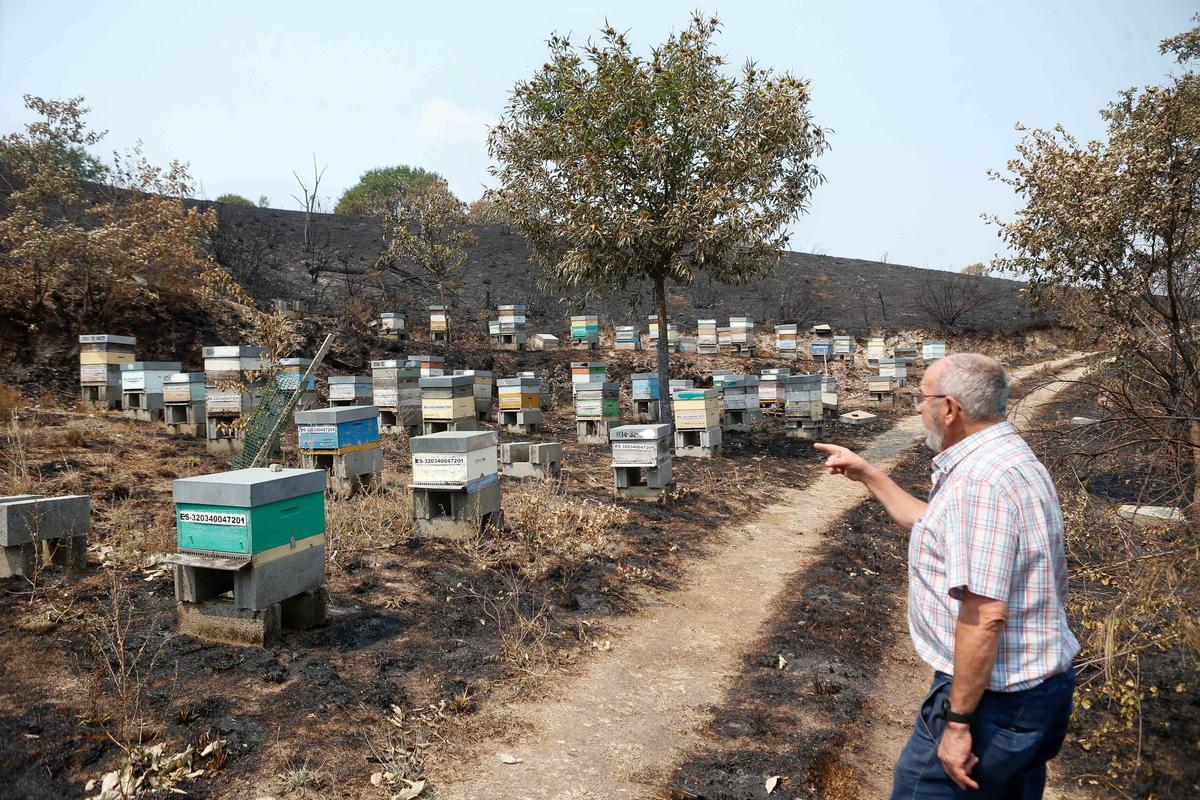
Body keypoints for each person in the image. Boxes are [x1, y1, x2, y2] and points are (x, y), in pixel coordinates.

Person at [815, 353, 1079, 799]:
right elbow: (937, 525)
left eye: (922, 398)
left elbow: (984, 616)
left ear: (951, 409)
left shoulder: (979, 484)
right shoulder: (1007, 455)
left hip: (995, 701)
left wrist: (957, 724)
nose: (918, 408)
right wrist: (869, 474)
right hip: (1037, 690)